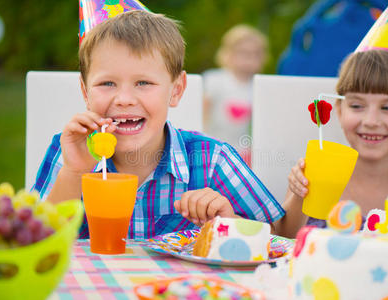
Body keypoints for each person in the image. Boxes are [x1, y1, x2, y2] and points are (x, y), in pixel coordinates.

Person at [32, 10, 285, 239]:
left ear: (176, 90)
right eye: (107, 83)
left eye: (143, 83)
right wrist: (74, 173)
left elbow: (276, 234)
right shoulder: (69, 152)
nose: (124, 99)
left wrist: (229, 224)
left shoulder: (212, 160)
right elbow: (33, 242)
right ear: (86, 92)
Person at [275, 50, 388, 238]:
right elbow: (282, 240)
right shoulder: (317, 173)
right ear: (340, 111)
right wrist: (300, 195)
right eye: (357, 106)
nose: (371, 121)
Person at [203, 24, 268, 166]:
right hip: (214, 152)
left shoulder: (260, 87)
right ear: (228, 53)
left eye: (255, 54)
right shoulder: (214, 80)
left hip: (246, 157)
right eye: (243, 53)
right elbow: (202, 116)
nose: (249, 59)